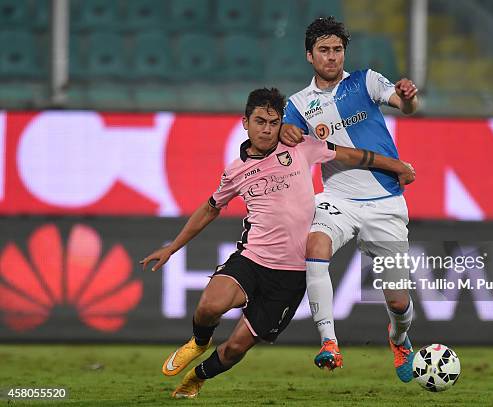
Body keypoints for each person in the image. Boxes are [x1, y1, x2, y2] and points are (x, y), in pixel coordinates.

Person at [140, 88, 415, 399]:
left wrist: (397, 166)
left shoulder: (300, 147)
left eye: (273, 122)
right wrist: (172, 247)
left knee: (234, 349)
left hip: (291, 275)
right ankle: (199, 342)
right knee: (208, 307)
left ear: (281, 123)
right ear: (245, 122)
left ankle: (196, 377)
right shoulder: (235, 171)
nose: (267, 129)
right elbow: (210, 209)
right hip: (253, 259)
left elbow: (353, 155)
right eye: (260, 121)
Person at [280, 16, 420, 382]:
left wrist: (408, 97)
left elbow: (405, 106)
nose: (332, 57)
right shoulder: (298, 104)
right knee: (315, 244)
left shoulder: (365, 81)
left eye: (337, 50)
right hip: (337, 198)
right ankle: (329, 343)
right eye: (324, 50)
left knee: (398, 302)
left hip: (385, 202)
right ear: (310, 56)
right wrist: (284, 131)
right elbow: (280, 133)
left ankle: (400, 339)